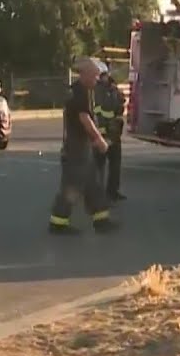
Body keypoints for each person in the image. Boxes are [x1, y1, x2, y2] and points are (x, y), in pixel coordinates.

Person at [49, 57, 118, 235]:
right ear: (86, 74)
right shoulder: (80, 93)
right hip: (77, 147)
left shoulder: (80, 90)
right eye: (95, 76)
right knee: (72, 185)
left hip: (80, 146)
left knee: (93, 183)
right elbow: (84, 118)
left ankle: (101, 220)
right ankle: (58, 222)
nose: (97, 79)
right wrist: (99, 140)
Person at [93, 70, 126, 202]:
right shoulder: (97, 91)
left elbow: (120, 105)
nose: (108, 77)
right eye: (105, 75)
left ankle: (112, 191)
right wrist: (102, 135)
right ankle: (97, 194)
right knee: (99, 166)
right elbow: (98, 114)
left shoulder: (112, 89)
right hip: (103, 134)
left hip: (114, 133)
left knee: (115, 165)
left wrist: (118, 94)